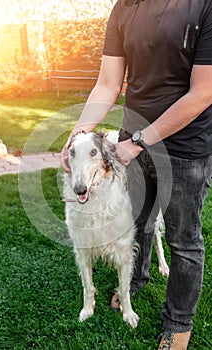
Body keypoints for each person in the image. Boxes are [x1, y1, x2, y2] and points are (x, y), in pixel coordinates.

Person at [60, 1, 212, 349]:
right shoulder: (123, 9)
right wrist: (79, 132)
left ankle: (178, 324)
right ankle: (135, 281)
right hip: (133, 141)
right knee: (138, 220)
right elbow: (108, 83)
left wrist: (139, 141)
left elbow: (203, 91)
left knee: (183, 239)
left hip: (185, 147)